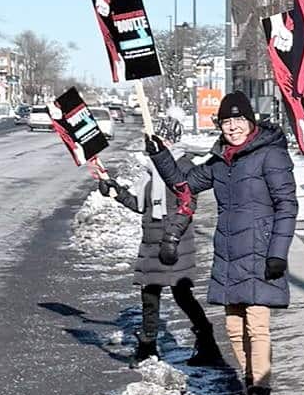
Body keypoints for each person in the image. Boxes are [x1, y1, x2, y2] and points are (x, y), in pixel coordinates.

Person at [145, 91, 297, 395]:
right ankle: (248, 393)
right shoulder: (220, 161)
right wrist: (161, 156)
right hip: (229, 255)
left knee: (257, 327)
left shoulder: (270, 155)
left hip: (260, 254)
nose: (233, 128)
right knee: (233, 327)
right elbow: (184, 185)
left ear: (250, 121)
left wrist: (277, 253)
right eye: (227, 122)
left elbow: (288, 205)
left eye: (238, 120)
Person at [92, 157, 226, 370]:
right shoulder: (149, 172)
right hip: (151, 243)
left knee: (182, 294)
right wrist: (113, 188)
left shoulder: (183, 167)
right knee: (149, 295)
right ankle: (147, 347)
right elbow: (139, 205)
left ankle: (208, 344)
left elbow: (188, 204)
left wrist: (172, 238)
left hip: (175, 241)